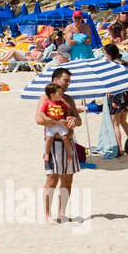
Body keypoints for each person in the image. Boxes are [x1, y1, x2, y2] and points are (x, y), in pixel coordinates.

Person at [40, 83, 78, 222]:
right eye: (65, 80)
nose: (68, 83)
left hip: (67, 141)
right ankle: (47, 215)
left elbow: (77, 120)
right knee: (51, 180)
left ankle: (62, 213)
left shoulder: (68, 100)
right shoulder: (44, 99)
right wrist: (54, 121)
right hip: (53, 144)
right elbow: (39, 118)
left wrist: (72, 119)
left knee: (68, 180)